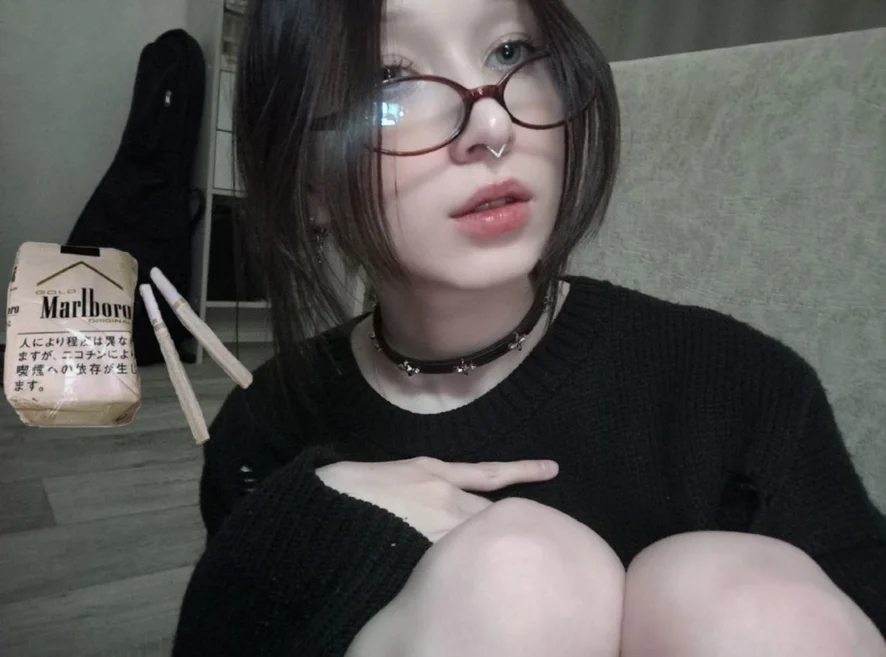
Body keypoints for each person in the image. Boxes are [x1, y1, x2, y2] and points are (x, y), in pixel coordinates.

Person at [172, 0, 886, 654]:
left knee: (750, 600)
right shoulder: (267, 427)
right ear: (307, 184)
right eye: (390, 79)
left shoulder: (742, 387)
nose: (492, 126)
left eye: (510, 53)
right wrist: (310, 525)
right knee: (517, 573)